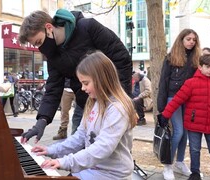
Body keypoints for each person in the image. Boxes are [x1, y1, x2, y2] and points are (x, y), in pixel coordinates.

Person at [18, 9, 132, 143]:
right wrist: (42, 120)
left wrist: (119, 97)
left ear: (48, 27)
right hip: (85, 103)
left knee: (113, 147)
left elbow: (121, 59)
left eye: (38, 42)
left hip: (112, 100)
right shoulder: (52, 54)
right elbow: (53, 88)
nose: (40, 48)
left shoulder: (88, 28)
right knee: (79, 143)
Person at [30, 51, 136, 179]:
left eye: (86, 83)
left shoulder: (118, 108)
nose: (82, 88)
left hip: (111, 175)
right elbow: (79, 137)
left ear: (101, 79)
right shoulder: (93, 103)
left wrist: (64, 162)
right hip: (90, 170)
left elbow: (103, 148)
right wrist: (51, 150)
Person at [159, 54, 210, 180]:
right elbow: (177, 100)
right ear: (200, 67)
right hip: (194, 124)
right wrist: (165, 115)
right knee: (194, 149)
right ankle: (195, 173)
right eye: (208, 66)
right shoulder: (191, 83)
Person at [157, 28, 201, 180]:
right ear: (181, 39)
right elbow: (163, 82)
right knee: (179, 132)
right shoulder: (170, 58)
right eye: (188, 39)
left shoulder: (197, 59)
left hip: (189, 100)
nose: (191, 42)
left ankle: (180, 162)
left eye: (194, 40)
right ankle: (168, 165)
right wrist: (161, 107)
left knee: (185, 134)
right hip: (172, 98)